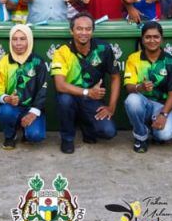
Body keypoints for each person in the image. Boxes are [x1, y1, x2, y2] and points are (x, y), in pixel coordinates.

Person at [50, 13, 120, 154]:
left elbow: (115, 77)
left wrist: (111, 107)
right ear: (72, 31)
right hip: (71, 95)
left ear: (92, 31)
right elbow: (60, 85)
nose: (84, 33)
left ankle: (87, 127)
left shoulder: (104, 48)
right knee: (64, 100)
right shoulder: (62, 52)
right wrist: (88, 92)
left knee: (109, 132)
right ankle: (67, 138)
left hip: (92, 100)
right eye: (79, 29)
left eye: (88, 29)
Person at [123, 21, 172, 152]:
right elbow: (129, 87)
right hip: (143, 104)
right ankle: (141, 135)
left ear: (162, 39)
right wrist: (140, 87)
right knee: (132, 100)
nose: (152, 40)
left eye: (156, 37)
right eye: (148, 37)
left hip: (163, 106)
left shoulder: (171, 61)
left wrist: (163, 114)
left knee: (165, 135)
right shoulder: (133, 58)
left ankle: (152, 129)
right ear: (142, 40)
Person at [0, 24, 48, 149]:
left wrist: (33, 113)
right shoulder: (4, 61)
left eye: (22, 39)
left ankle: (26, 133)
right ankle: (10, 135)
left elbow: (43, 90)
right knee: (5, 111)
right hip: (12, 107)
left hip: (32, 108)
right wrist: (7, 99)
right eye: (14, 39)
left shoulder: (38, 62)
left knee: (36, 136)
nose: (18, 43)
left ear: (29, 40)